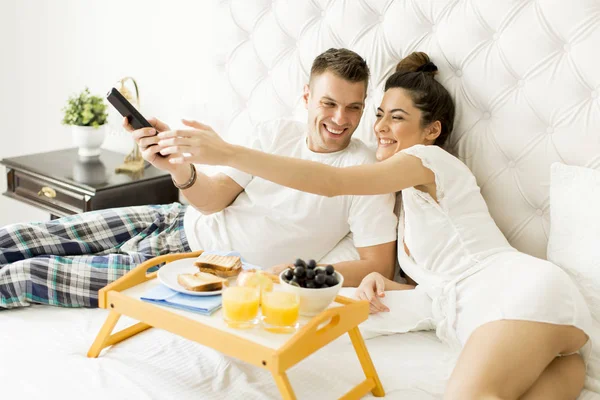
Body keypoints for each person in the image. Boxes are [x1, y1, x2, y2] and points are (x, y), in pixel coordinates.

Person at [155, 52, 593, 400]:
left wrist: (229, 152)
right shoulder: (410, 203)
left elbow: (332, 182)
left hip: (516, 290)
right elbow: (443, 286)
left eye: (396, 118)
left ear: (432, 130)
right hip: (496, 316)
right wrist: (377, 286)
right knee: (561, 370)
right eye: (379, 114)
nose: (380, 127)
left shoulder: (429, 161)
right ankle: (569, 362)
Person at [0, 48, 398, 309]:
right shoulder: (276, 133)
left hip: (200, 272)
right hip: (174, 220)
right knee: (19, 237)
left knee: (24, 275)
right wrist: (179, 169)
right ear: (307, 97)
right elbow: (212, 200)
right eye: (329, 103)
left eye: (354, 108)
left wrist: (289, 275)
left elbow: (379, 264)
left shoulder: (365, 174)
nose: (341, 119)